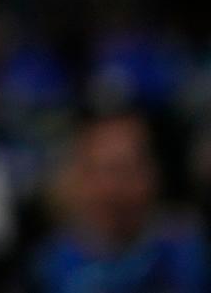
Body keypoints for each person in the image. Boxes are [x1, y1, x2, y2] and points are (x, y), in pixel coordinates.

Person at [31, 112, 209, 293]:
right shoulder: (51, 264)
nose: (114, 188)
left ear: (152, 175)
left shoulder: (184, 245)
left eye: (126, 170)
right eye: (104, 171)